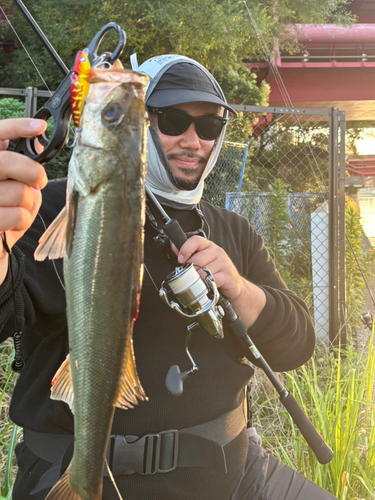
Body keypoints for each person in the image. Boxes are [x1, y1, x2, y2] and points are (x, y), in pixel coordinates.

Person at [0, 55, 336, 500]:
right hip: (71, 471)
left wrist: (238, 288)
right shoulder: (40, 208)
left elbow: (297, 345)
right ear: (141, 126)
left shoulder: (233, 230)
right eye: (173, 120)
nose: (193, 140)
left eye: (210, 126)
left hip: (233, 476)